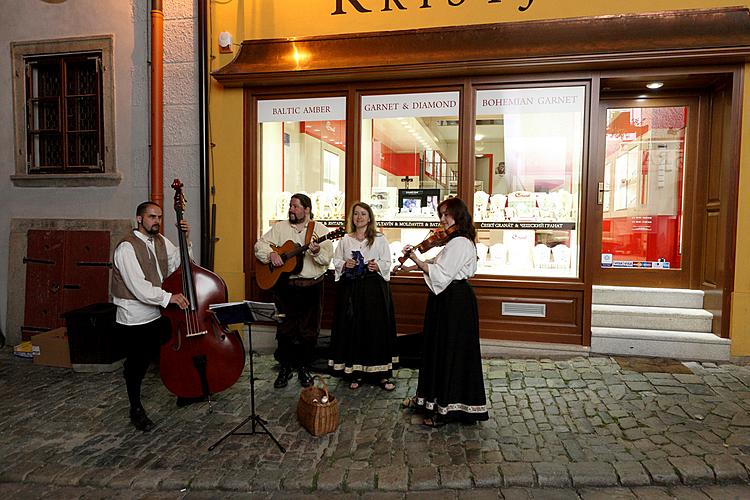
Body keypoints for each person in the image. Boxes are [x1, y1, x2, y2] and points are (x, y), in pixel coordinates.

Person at [396, 197, 489, 427]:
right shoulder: (454, 242)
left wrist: (416, 258)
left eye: (447, 215)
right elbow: (437, 262)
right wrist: (410, 265)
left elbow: (442, 273)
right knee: (438, 349)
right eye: (441, 215)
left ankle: (446, 408)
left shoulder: (460, 243)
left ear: (458, 216)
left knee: (450, 351)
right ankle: (429, 400)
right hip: (447, 300)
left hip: (455, 302)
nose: (443, 220)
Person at [111, 201, 190, 432]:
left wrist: (185, 239)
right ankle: (135, 409)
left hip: (157, 311)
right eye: (151, 216)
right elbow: (139, 287)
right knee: (137, 366)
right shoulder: (126, 247)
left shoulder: (160, 240)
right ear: (139, 219)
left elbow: (178, 262)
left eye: (159, 217)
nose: (156, 221)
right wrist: (170, 298)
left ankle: (183, 392)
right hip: (134, 316)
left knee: (169, 355)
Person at [254, 193, 334, 389]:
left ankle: (304, 368)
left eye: (296, 206)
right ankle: (285, 367)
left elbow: (326, 260)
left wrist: (316, 252)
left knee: (309, 331)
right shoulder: (280, 227)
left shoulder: (320, 230)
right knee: (285, 329)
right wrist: (271, 254)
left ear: (306, 210)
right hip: (286, 286)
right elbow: (259, 245)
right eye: (290, 206)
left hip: (311, 287)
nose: (291, 209)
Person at [328, 202, 398, 391]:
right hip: (352, 289)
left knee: (376, 328)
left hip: (374, 289)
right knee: (354, 329)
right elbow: (336, 260)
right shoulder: (345, 240)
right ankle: (356, 373)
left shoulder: (379, 239)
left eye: (363, 214)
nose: (359, 217)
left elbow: (387, 262)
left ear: (369, 218)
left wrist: (378, 266)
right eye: (356, 214)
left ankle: (382, 374)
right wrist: (345, 263)